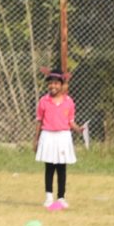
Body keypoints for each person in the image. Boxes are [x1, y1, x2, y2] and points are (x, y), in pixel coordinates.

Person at [35, 70, 78, 210]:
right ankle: (49, 196)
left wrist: (78, 129)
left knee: (61, 168)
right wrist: (36, 140)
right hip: (48, 136)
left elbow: (71, 122)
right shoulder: (43, 101)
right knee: (49, 167)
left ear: (62, 85)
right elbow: (39, 121)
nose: (53, 86)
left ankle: (61, 197)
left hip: (63, 137)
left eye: (56, 83)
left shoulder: (68, 102)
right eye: (50, 83)